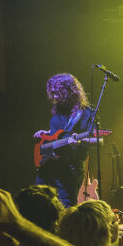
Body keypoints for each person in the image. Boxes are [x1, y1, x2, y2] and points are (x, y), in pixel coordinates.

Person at [34, 73, 98, 206]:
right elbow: (57, 134)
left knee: (66, 206)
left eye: (58, 92)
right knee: (39, 201)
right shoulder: (58, 110)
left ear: (70, 91)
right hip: (49, 164)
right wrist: (45, 133)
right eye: (53, 93)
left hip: (70, 168)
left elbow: (96, 140)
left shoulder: (87, 113)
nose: (55, 96)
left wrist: (80, 142)